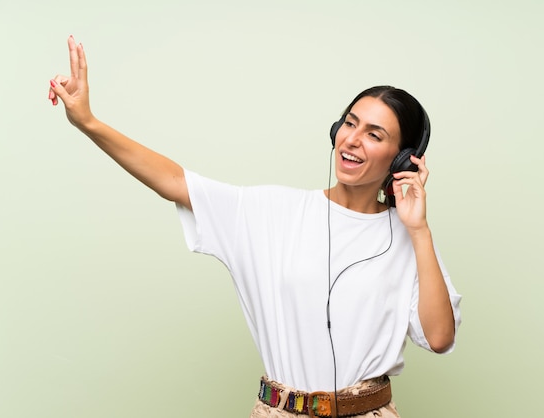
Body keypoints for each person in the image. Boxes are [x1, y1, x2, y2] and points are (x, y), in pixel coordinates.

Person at [48, 35, 462, 418]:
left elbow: (439, 338)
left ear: (400, 158)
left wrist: (419, 230)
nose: (353, 139)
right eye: (350, 123)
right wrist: (89, 122)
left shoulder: (408, 237)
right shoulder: (271, 211)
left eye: (375, 134)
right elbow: (175, 181)